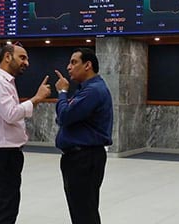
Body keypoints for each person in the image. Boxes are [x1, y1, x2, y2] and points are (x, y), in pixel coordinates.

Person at [0, 43, 52, 224]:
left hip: (3, 152)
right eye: (22, 58)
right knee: (7, 207)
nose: (27, 63)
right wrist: (37, 98)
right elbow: (10, 115)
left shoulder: (4, 82)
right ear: (8, 57)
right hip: (3, 156)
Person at [54, 48, 113, 224]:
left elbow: (64, 116)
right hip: (80, 158)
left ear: (88, 65)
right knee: (82, 210)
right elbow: (65, 116)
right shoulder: (86, 90)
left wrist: (62, 93)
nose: (69, 67)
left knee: (84, 213)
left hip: (84, 159)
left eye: (74, 62)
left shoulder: (93, 91)